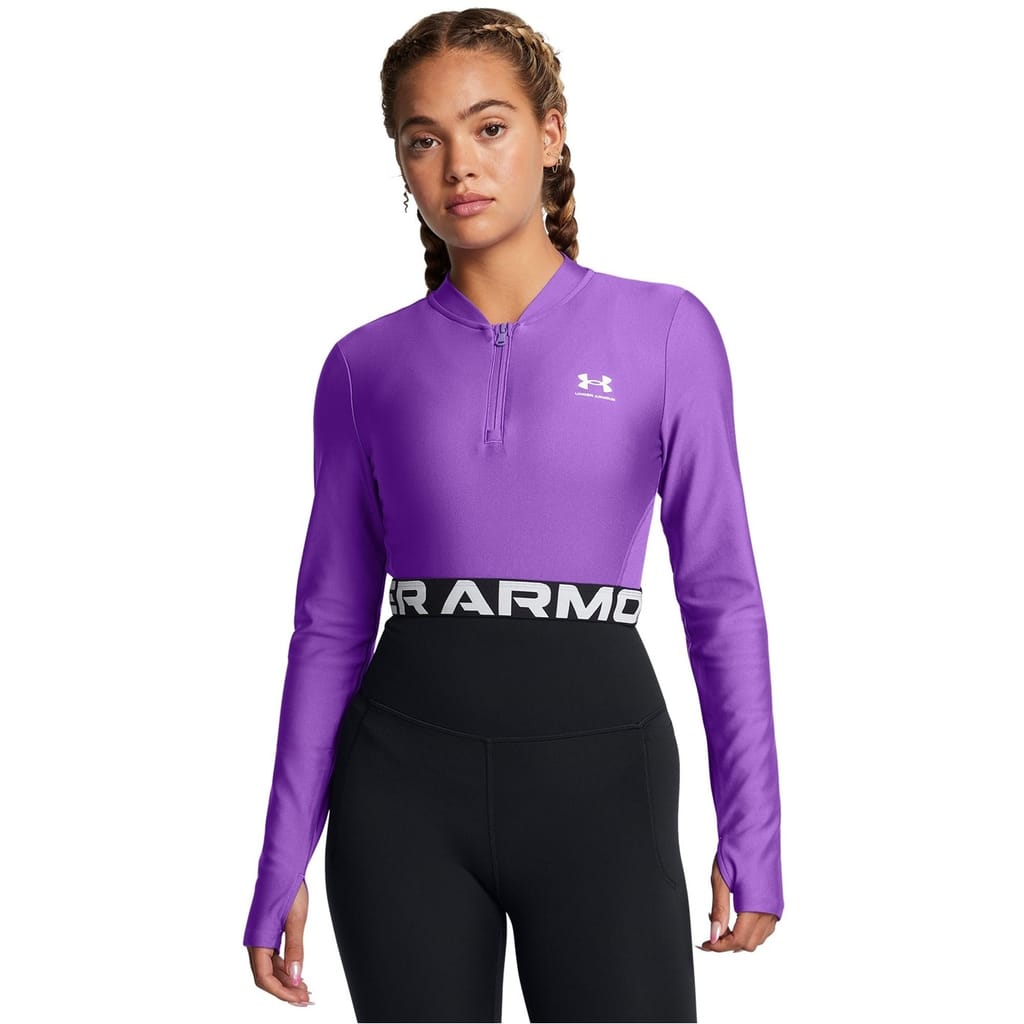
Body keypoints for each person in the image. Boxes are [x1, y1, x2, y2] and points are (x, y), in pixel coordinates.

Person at [243, 7, 783, 1021]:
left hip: (604, 788)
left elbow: (721, 597)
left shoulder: (666, 331)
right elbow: (329, 623)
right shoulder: (364, 366)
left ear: (551, 133)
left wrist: (753, 828)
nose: (459, 164)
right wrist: (282, 858)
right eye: (423, 139)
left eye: (489, 127)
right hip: (399, 800)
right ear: (401, 162)